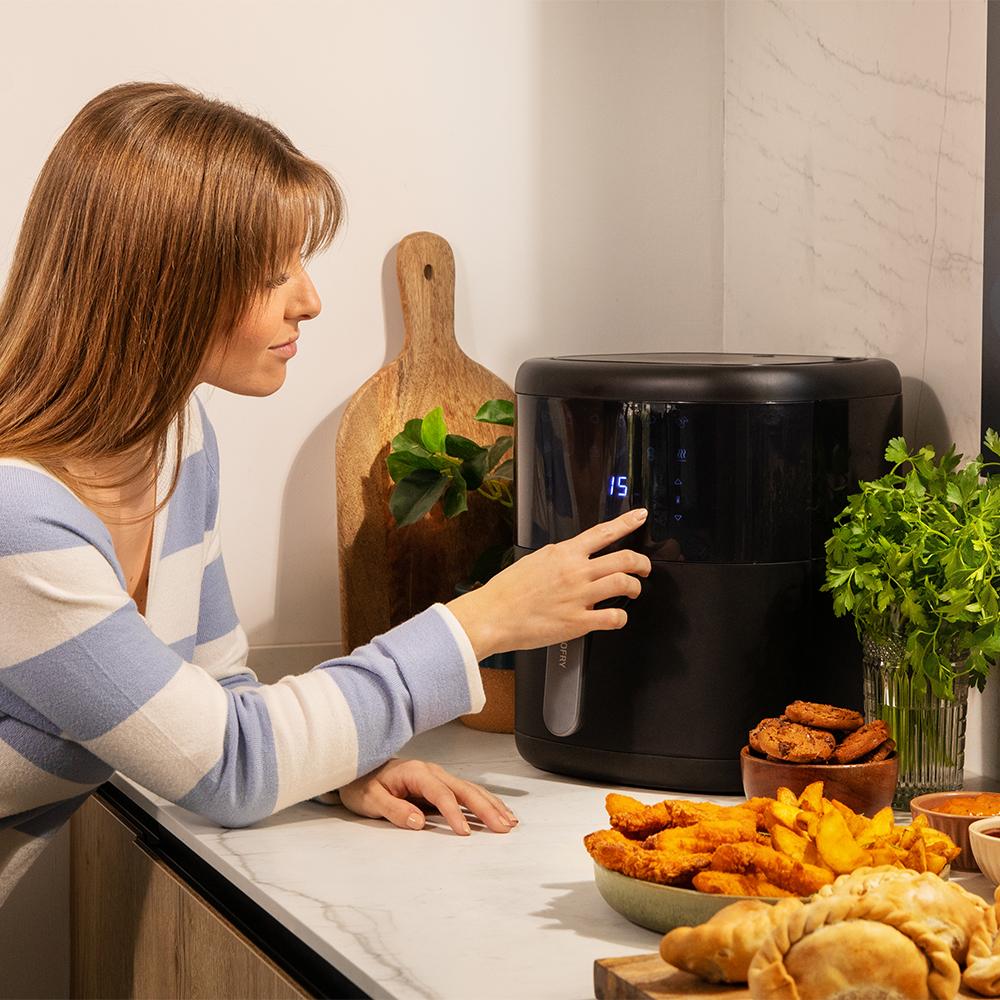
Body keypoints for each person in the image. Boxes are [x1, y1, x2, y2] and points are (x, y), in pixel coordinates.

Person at [0, 81, 650, 903]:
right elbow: (228, 764)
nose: (308, 300)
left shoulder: (174, 440)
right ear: (161, 283)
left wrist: (332, 766)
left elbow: (217, 696)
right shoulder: (17, 515)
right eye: (273, 271)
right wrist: (484, 619)